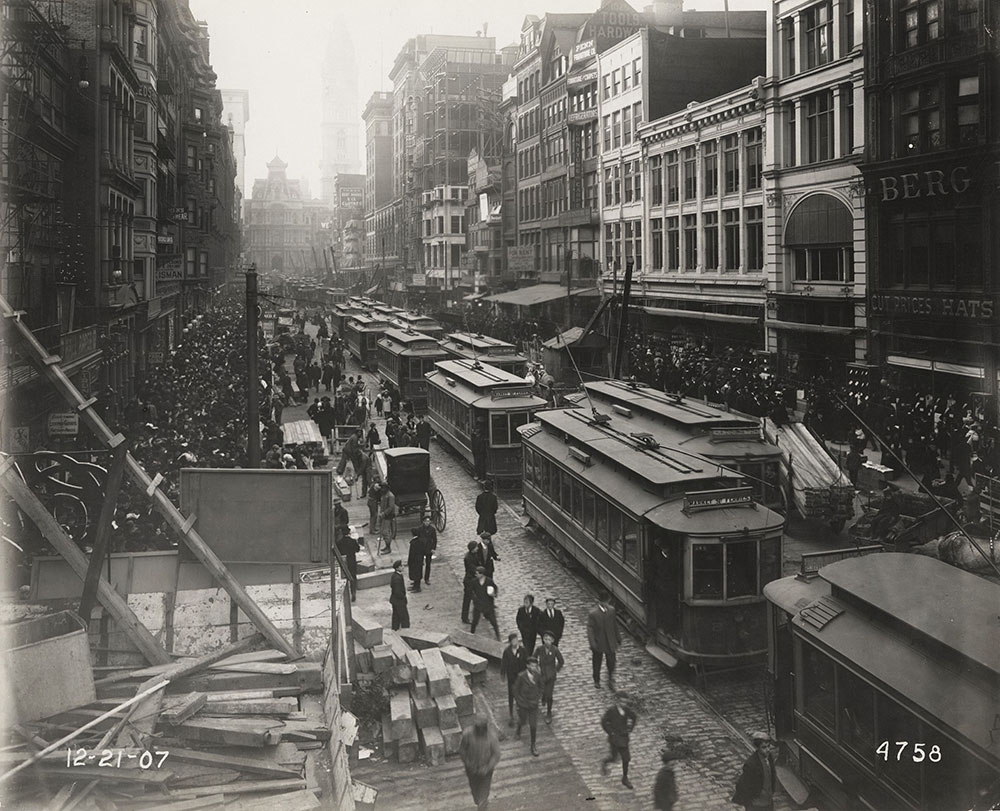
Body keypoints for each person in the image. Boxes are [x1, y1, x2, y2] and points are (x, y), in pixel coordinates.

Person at [458, 717, 501, 811]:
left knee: (483, 795)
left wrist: (487, 767)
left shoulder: (492, 736)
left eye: (482, 728)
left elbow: (496, 754)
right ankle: (480, 802)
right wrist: (468, 763)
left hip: (486, 771)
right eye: (478, 728)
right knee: (475, 793)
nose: (481, 730)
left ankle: (483, 804)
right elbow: (462, 751)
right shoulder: (468, 734)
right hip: (472, 770)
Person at [732, 731, 777, 811]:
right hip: (756, 805)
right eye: (764, 747)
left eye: (768, 746)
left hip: (768, 802)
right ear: (757, 748)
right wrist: (750, 801)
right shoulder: (751, 764)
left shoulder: (769, 757)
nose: (767, 750)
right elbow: (742, 785)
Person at [600, 691, 637, 790]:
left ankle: (625, 778)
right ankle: (605, 762)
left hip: (624, 738)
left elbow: (634, 717)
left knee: (626, 759)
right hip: (615, 740)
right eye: (622, 702)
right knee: (614, 758)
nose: (624, 704)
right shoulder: (612, 711)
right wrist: (610, 732)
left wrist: (630, 728)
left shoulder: (627, 710)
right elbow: (604, 721)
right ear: (617, 701)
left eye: (626, 702)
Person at [588, 591, 621, 690]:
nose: (606, 604)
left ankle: (610, 678)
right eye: (604, 602)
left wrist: (618, 638)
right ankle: (596, 680)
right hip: (599, 641)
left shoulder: (612, 610)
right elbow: (590, 629)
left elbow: (614, 625)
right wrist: (593, 643)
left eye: (607, 602)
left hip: (610, 641)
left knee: (611, 661)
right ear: (600, 602)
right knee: (597, 662)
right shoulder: (593, 614)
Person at [513, 657, 542, 757]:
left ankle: (533, 745)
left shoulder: (538, 675)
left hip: (533, 704)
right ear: (527, 666)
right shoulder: (521, 676)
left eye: (535, 666)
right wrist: (519, 702)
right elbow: (515, 690)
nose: (534, 668)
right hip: (523, 704)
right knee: (523, 720)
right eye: (532, 666)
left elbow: (541, 687)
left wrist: (538, 697)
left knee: (533, 726)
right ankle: (518, 729)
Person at [533, 630, 564, 724]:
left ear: (552, 641)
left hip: (551, 676)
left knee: (549, 695)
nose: (547, 641)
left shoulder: (555, 650)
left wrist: (555, 670)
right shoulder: (539, 649)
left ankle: (549, 712)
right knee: (542, 690)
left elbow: (561, 661)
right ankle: (543, 697)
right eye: (545, 639)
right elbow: (533, 658)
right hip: (541, 675)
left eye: (549, 639)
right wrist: (536, 668)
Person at [499, 632, 528, 727]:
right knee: (511, 695)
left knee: (521, 695)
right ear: (510, 642)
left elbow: (527, 662)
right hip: (512, 677)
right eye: (513, 641)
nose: (515, 642)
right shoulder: (507, 652)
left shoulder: (523, 650)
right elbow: (504, 663)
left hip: (521, 676)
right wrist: (503, 674)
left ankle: (522, 713)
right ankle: (511, 715)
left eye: (516, 640)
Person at [470, 566, 500, 640]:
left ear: (482, 574)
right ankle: (471, 634)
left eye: (477, 573)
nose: (475, 575)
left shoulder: (489, 581)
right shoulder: (474, 582)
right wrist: (474, 599)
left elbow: (495, 588)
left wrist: (494, 594)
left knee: (493, 622)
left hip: (488, 605)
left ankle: (498, 636)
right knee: (475, 621)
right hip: (478, 605)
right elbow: (470, 591)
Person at [335, 519, 360, 602]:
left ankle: (345, 594)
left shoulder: (339, 543)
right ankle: (353, 593)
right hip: (351, 561)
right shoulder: (353, 541)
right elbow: (357, 549)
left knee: (343, 578)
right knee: (353, 577)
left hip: (343, 562)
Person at [414, 515, 437, 585]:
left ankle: (427, 578)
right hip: (421, 549)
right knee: (419, 564)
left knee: (428, 564)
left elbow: (435, 540)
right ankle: (418, 578)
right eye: (426, 521)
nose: (427, 523)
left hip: (429, 549)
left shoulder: (432, 529)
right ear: (423, 522)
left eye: (428, 521)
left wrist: (433, 548)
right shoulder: (419, 529)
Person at [461, 541, 479, 624]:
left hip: (473, 579)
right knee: (467, 599)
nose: (477, 548)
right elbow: (472, 568)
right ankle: (464, 618)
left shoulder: (474, 555)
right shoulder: (468, 558)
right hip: (469, 580)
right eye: (476, 547)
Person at [389, 560, 409, 630]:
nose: (403, 567)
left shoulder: (395, 575)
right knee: (404, 619)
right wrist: (403, 597)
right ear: (397, 568)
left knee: (396, 617)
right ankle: (406, 633)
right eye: (401, 566)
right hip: (399, 601)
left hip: (395, 601)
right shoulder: (397, 578)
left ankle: (395, 630)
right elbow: (397, 592)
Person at [378, 486, 397, 554]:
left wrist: (384, 513)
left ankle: (388, 548)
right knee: (383, 532)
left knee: (386, 532)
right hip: (384, 516)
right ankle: (386, 546)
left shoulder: (390, 496)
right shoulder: (384, 495)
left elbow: (391, 507)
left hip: (388, 516)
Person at [407, 528, 426, 592]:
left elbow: (411, 553)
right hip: (419, 560)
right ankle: (415, 585)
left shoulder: (414, 543)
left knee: (416, 573)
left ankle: (417, 587)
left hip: (415, 560)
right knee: (417, 573)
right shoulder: (421, 541)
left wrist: (409, 561)